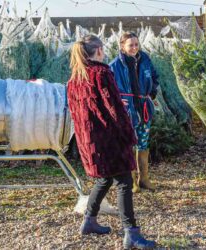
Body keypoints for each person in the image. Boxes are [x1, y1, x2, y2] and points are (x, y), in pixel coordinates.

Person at [67, 35, 156, 249]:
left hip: (90, 141)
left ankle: (89, 221)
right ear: (98, 50)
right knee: (124, 182)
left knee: (104, 179)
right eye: (103, 48)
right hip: (109, 139)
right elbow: (115, 108)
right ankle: (131, 233)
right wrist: (128, 135)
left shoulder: (74, 79)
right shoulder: (101, 73)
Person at [110, 32, 159, 193]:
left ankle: (144, 179)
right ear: (122, 46)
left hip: (143, 106)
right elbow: (108, 87)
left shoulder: (145, 60)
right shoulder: (115, 65)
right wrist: (116, 101)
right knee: (129, 144)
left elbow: (154, 77)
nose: (134, 48)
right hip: (127, 110)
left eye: (136, 44)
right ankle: (131, 182)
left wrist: (151, 94)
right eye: (130, 45)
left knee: (143, 142)